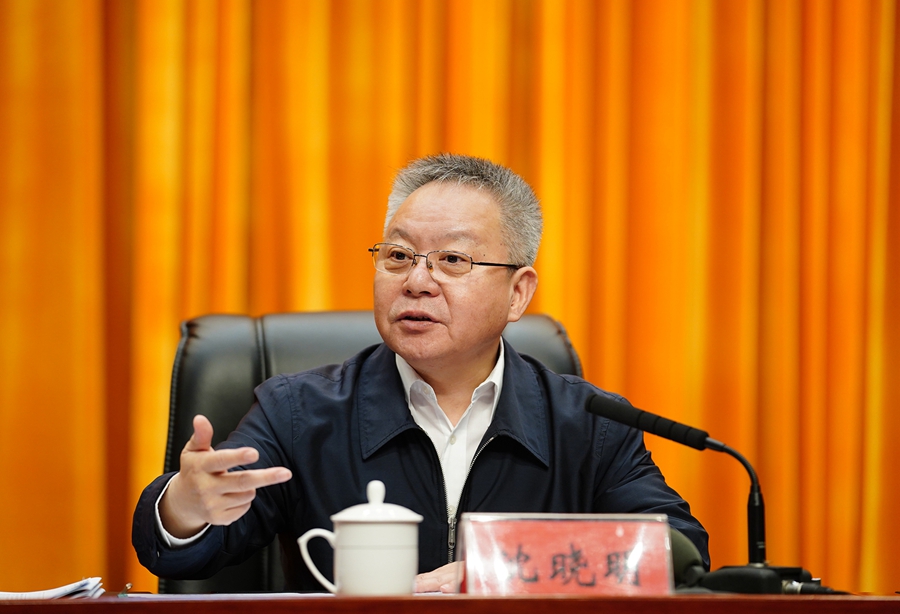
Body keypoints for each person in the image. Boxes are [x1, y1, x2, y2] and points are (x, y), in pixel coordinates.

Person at [133, 153, 709, 592]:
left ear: (517, 292)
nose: (416, 281)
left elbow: (679, 551)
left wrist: (501, 570)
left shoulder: (589, 424)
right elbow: (185, 552)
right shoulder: (298, 412)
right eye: (398, 256)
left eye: (453, 260)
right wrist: (185, 505)